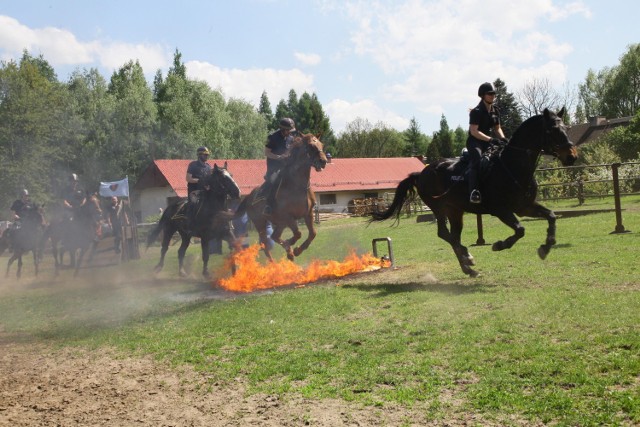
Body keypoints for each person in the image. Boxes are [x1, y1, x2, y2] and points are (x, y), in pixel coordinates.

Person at [466, 82, 507, 204]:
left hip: (489, 141)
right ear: (483, 95)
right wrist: (490, 139)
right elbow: (474, 131)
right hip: (475, 142)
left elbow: (497, 128)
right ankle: (474, 191)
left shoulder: (495, 110)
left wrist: (503, 139)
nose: (493, 96)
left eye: (494, 93)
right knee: (478, 160)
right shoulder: (476, 111)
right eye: (490, 94)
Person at [263, 117, 296, 214]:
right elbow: (267, 153)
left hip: (286, 166)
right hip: (274, 168)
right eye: (288, 130)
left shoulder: (291, 138)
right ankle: (268, 205)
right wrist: (279, 157)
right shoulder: (272, 137)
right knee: (272, 181)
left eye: (291, 130)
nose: (290, 132)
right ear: (283, 129)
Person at [185, 146, 212, 233]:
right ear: (199, 155)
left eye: (207, 155)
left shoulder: (208, 167)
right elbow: (188, 179)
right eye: (205, 155)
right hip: (194, 192)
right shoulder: (193, 165)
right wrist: (200, 181)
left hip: (205, 192)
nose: (207, 157)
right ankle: (189, 226)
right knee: (193, 204)